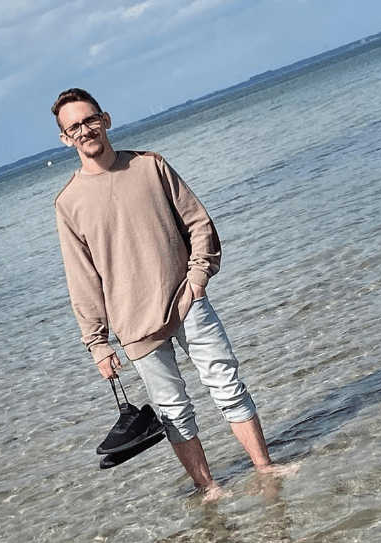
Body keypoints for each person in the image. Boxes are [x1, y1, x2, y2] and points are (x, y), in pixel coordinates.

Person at [51, 88, 291, 499]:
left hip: (186, 299)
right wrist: (97, 344)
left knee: (228, 386)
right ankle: (210, 490)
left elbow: (199, 224)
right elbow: (82, 279)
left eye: (90, 119)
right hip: (133, 325)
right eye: (74, 126)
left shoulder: (150, 166)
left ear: (105, 120)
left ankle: (266, 470)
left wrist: (198, 279)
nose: (85, 130)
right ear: (65, 138)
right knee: (173, 413)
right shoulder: (68, 203)